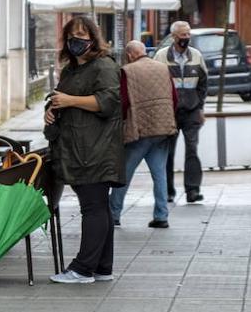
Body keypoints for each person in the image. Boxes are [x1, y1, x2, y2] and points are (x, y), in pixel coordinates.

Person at [46, 15, 125, 284]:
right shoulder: (71, 70)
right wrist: (52, 109)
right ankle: (103, 267)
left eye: (82, 34)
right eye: (71, 35)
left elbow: (108, 102)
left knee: (93, 206)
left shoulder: (103, 66)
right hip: (75, 147)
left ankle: (83, 268)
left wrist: (69, 100)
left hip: (95, 148)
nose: (76, 40)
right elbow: (61, 99)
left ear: (93, 37)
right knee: (97, 206)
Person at [110, 40, 177, 229]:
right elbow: (174, 98)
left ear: (130, 55)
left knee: (124, 174)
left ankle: (113, 214)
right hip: (163, 129)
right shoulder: (163, 68)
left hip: (139, 131)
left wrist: (121, 126)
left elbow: (122, 102)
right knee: (160, 174)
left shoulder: (127, 71)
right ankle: (161, 216)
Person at [156, 20, 207, 203]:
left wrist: (200, 108)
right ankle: (168, 190)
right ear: (173, 36)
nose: (186, 38)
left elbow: (203, 83)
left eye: (188, 34)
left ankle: (192, 190)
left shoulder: (196, 55)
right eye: (183, 35)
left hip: (192, 111)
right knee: (168, 152)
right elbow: (155, 83)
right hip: (169, 112)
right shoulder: (161, 56)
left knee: (192, 150)